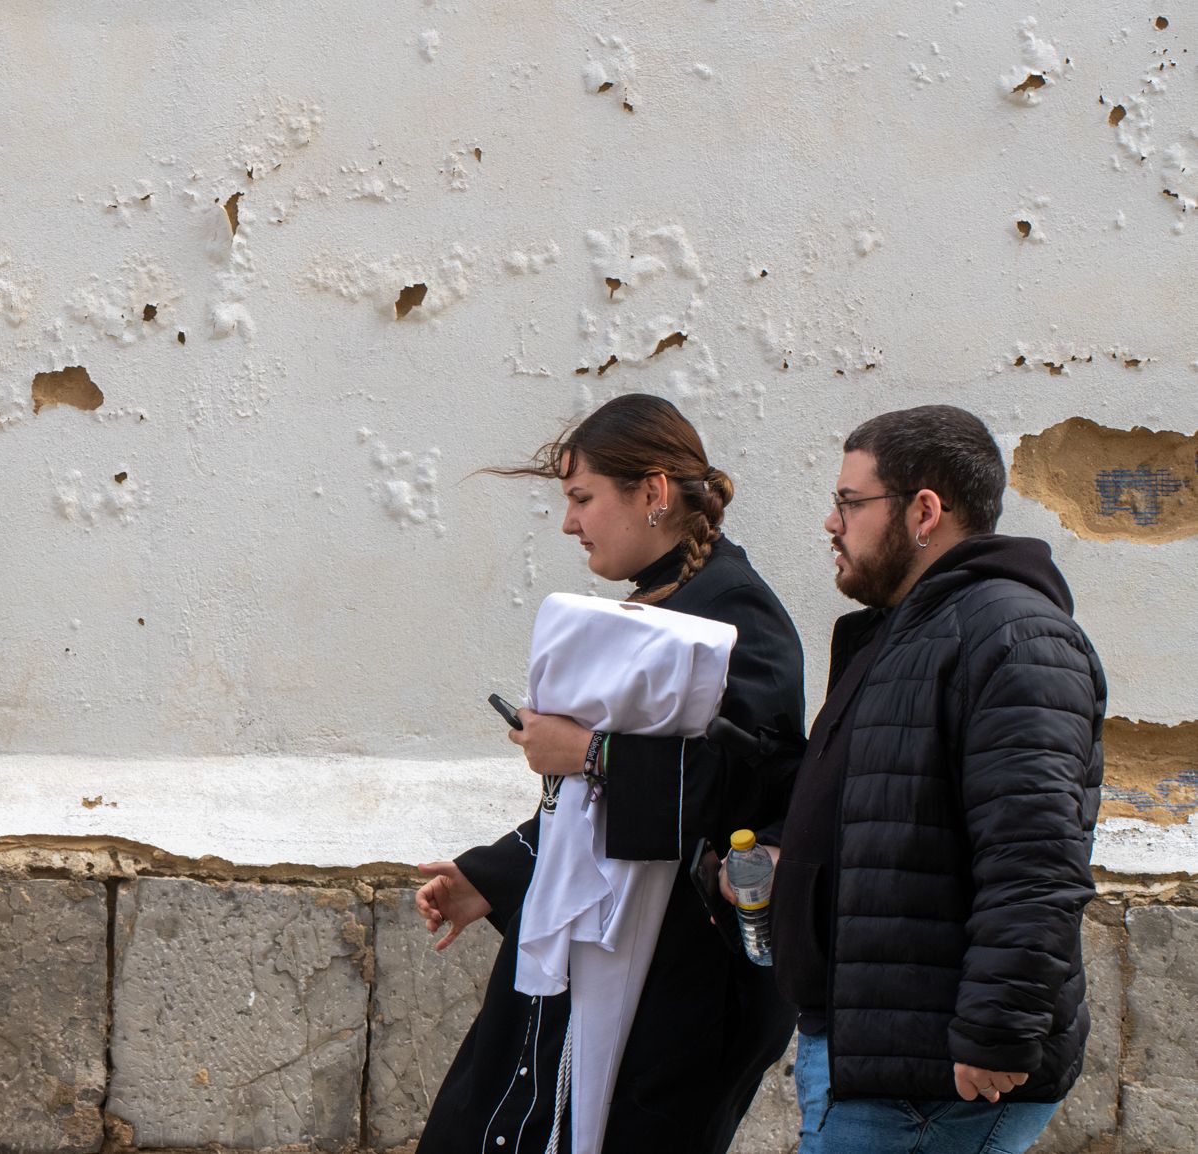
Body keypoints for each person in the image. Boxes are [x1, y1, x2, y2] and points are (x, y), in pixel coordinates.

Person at [415, 394, 805, 1154]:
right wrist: (492, 875)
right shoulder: (667, 604)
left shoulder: (738, 619)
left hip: (683, 984)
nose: (569, 523)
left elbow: (744, 791)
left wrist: (589, 751)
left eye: (581, 497)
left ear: (652, 494)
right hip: (614, 956)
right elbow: (587, 814)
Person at [744, 405, 1105, 1153]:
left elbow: (1034, 859)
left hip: (933, 1077)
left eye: (848, 502)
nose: (830, 523)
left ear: (923, 511)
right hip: (870, 1047)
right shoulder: (903, 634)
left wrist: (994, 1031)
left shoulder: (1012, 636)